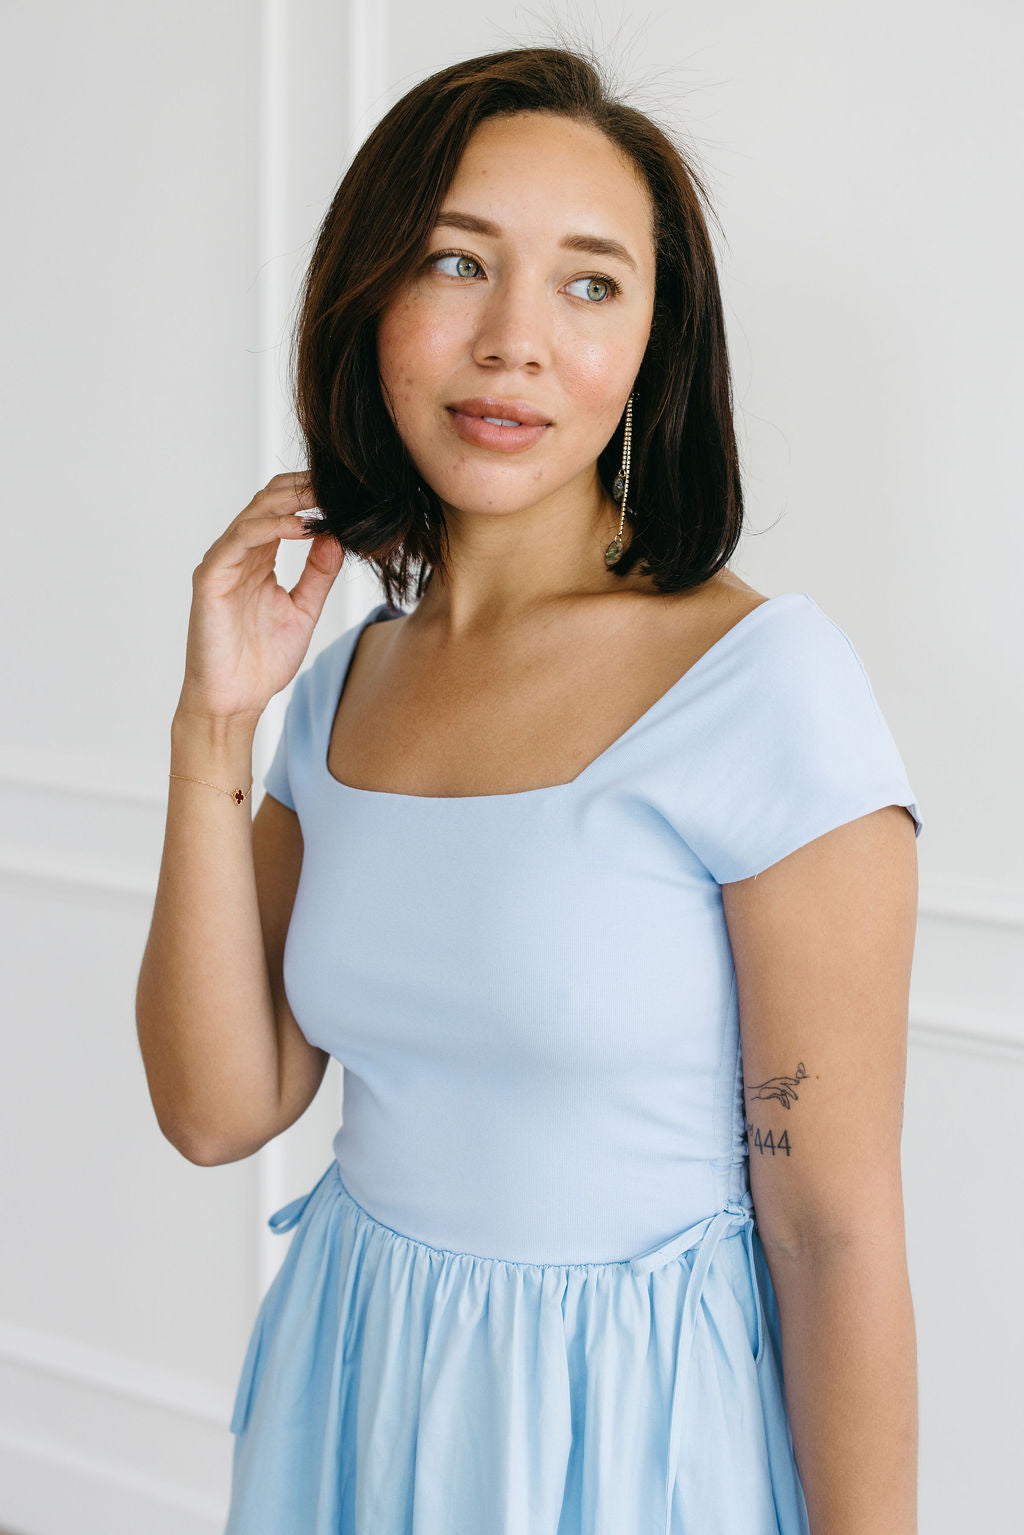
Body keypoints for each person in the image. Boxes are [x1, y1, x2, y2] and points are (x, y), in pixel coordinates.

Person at [135, 44, 924, 1535]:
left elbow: (833, 1239)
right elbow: (218, 1108)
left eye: (589, 284)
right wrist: (213, 728)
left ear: (654, 347)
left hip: (629, 1439)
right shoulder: (345, 684)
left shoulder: (760, 688)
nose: (514, 343)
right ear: (370, 298)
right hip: (352, 1388)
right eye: (457, 262)